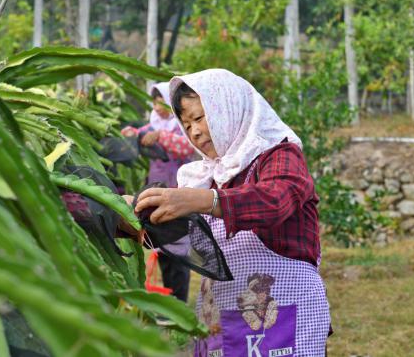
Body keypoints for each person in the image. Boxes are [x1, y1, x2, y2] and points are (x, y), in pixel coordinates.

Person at [132, 69, 331, 356]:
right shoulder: (207, 175)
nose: (195, 132)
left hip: (281, 313)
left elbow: (275, 201)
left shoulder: (279, 154)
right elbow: (182, 233)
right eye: (186, 125)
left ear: (228, 105)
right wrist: (132, 213)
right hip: (222, 318)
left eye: (199, 118)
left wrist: (205, 199)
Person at [122, 82, 194, 303]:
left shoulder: (181, 126)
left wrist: (162, 136)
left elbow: (187, 147)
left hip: (179, 196)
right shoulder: (153, 125)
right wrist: (130, 133)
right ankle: (171, 301)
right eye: (154, 100)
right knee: (162, 245)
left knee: (179, 250)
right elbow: (138, 133)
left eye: (161, 99)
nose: (157, 104)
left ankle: (179, 302)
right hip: (157, 195)